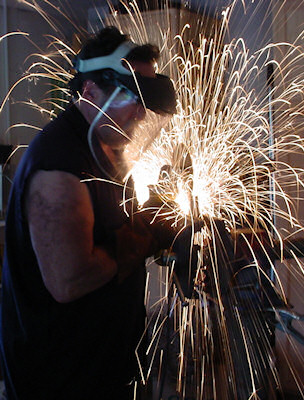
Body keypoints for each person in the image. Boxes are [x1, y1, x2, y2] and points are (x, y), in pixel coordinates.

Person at [0, 26, 177, 400]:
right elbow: (69, 282)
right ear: (89, 92)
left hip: (103, 367)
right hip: (58, 379)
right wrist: (146, 232)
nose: (141, 112)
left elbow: (114, 235)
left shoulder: (109, 150)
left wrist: (160, 221)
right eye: (131, 95)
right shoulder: (59, 167)